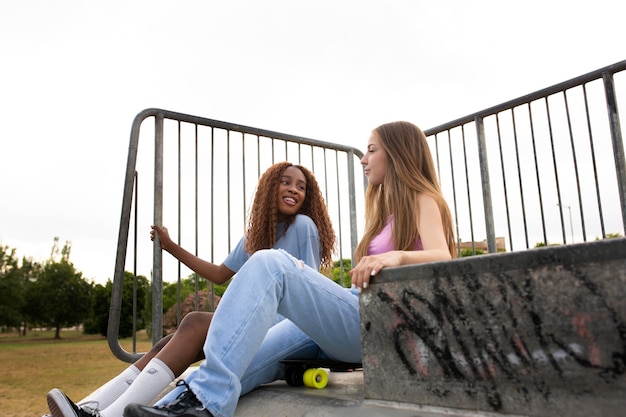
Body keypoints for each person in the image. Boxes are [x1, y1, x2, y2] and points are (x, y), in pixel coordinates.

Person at [123, 121, 457, 417]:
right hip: (351, 316)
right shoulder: (385, 212)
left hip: (378, 320)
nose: (363, 159)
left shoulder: (422, 199)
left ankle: (208, 404)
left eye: (371, 150)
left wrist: (396, 257)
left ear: (398, 154)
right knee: (243, 359)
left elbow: (443, 258)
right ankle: (177, 407)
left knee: (271, 263)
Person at [46, 162, 336, 417]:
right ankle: (89, 405)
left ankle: (105, 416)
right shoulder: (255, 235)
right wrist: (171, 247)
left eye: (301, 187)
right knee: (167, 343)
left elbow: (308, 287)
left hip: (285, 327)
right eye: (286, 182)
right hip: (257, 324)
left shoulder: (303, 226)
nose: (294, 190)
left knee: (195, 321)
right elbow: (219, 274)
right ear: (270, 187)